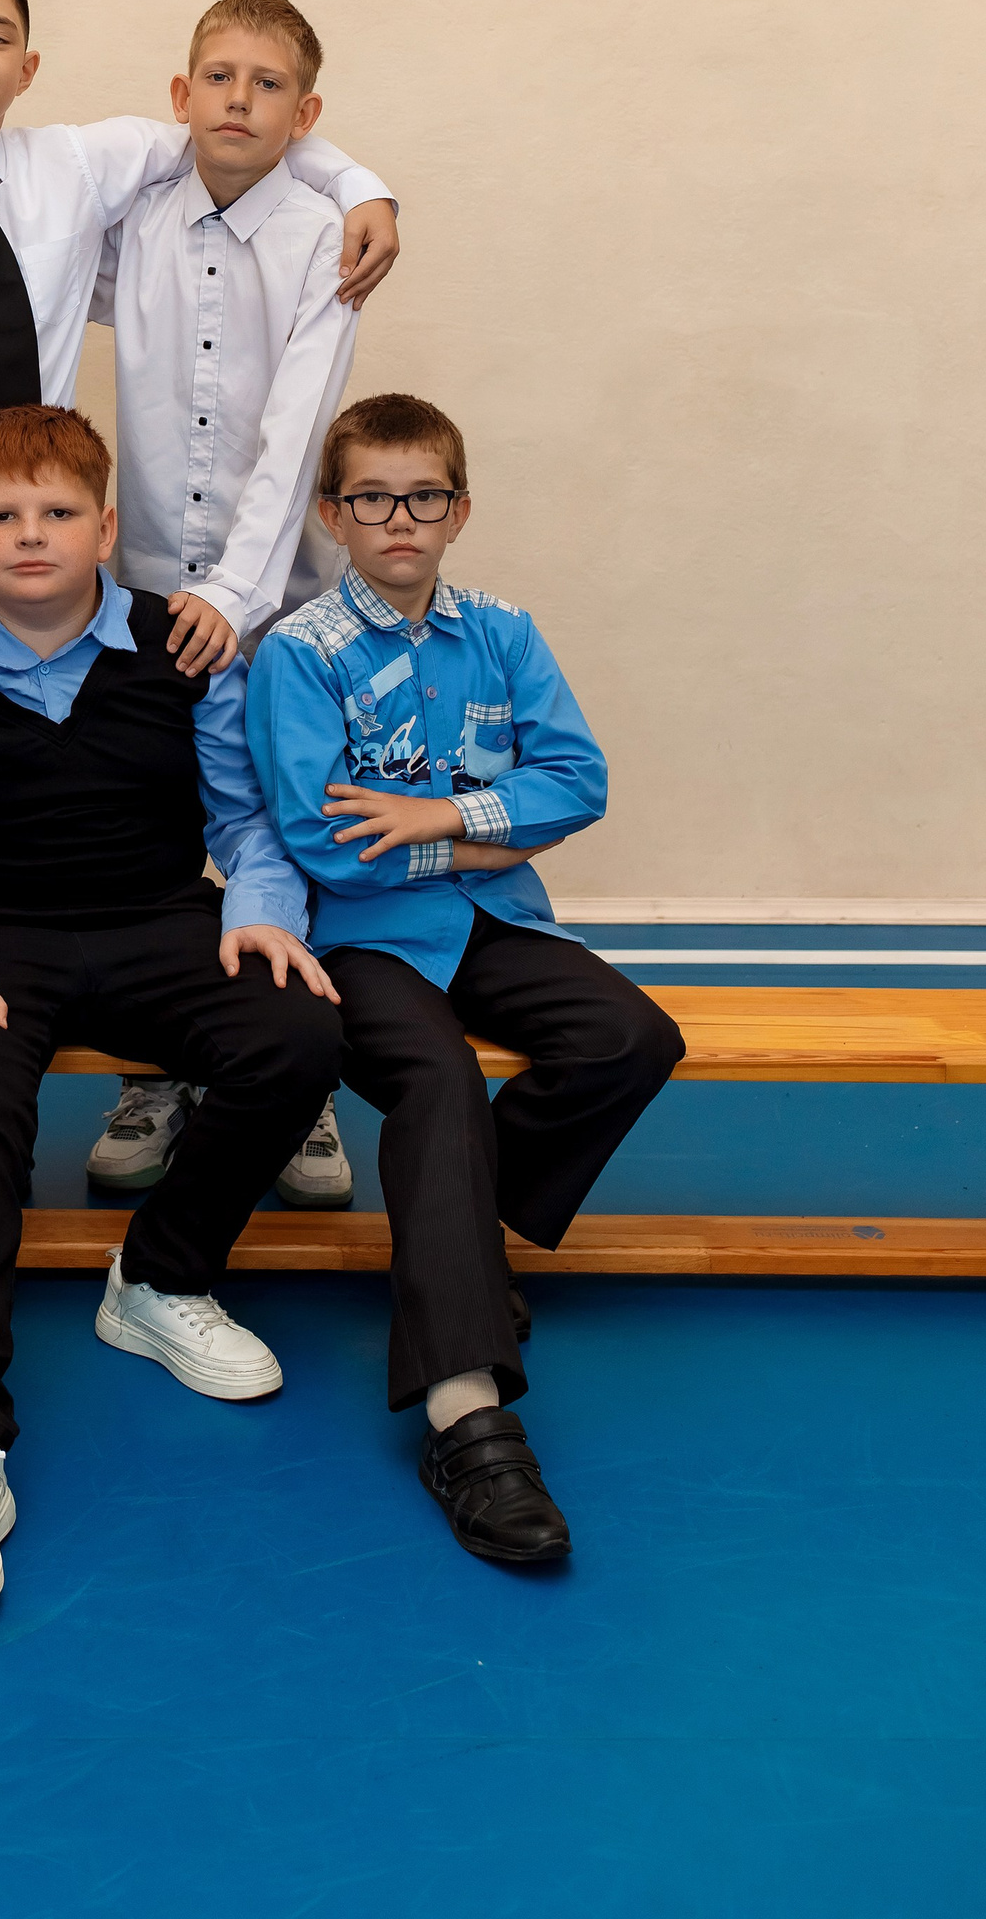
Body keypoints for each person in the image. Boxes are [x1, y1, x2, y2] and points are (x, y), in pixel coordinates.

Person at [0, 0, 395, 1199]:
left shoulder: (76, 164)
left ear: (30, 64)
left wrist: (364, 186)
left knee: (149, 803)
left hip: (49, 535)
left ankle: (208, 1055)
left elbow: (239, 131)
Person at [0, 401, 342, 1615]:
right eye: (2, 515)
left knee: (301, 1032)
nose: (31, 534)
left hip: (155, 922)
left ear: (106, 529)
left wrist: (263, 910)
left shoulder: (182, 645)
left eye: (58, 512)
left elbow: (247, 822)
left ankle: (157, 1280)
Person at [245, 390, 685, 1566]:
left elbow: (578, 781)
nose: (400, 519)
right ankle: (466, 1416)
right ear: (333, 514)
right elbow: (323, 836)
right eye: (372, 498)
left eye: (424, 496)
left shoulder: (503, 632)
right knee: (438, 1083)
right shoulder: (298, 654)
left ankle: (461, 1252)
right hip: (363, 939)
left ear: (460, 510)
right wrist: (496, 831)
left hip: (493, 918)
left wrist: (441, 819)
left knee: (631, 1038)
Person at [82, 0, 367, 1209]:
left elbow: (298, 429)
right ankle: (155, 1069)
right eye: (218, 76)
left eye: (267, 83)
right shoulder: (134, 219)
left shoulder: (325, 237)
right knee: (153, 832)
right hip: (147, 589)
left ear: (305, 113)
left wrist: (238, 593)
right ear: (180, 94)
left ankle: (295, 1079)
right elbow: (11, 254)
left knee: (287, 828)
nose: (238, 99)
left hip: (276, 601)